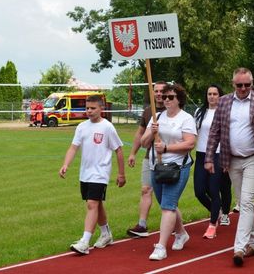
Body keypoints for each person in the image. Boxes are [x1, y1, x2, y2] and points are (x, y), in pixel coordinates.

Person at [205, 67, 254, 267]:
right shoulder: (224, 102)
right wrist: (209, 158)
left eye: (247, 84)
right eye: (240, 85)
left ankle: (239, 247)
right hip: (232, 160)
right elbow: (215, 132)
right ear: (233, 84)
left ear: (252, 84)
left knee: (246, 202)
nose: (244, 88)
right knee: (243, 201)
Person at [59, 95, 126, 255]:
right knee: (96, 203)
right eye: (87, 108)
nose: (89, 111)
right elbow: (73, 147)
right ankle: (106, 233)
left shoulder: (107, 127)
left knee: (91, 204)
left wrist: (121, 174)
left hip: (100, 173)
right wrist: (66, 164)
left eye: (93, 108)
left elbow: (118, 150)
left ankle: (84, 242)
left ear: (101, 108)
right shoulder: (81, 127)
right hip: (85, 173)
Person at [141, 83, 197, 261]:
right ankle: (181, 233)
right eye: (164, 97)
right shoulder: (157, 117)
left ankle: (161, 247)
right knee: (167, 204)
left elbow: (190, 143)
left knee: (168, 206)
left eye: (170, 97)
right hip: (157, 167)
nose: (166, 100)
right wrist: (152, 132)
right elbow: (144, 143)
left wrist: (166, 148)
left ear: (179, 99)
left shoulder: (186, 119)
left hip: (177, 167)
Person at [126, 81, 167, 238]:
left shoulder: (173, 110)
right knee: (145, 189)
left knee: (166, 193)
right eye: (156, 91)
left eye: (162, 91)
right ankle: (142, 225)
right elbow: (140, 133)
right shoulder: (149, 111)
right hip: (150, 157)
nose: (159, 94)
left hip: (168, 158)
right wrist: (133, 153)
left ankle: (173, 223)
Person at [194, 84, 232, 239]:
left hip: (218, 154)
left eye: (215, 94)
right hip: (201, 154)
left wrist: (227, 157)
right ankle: (217, 211)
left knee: (214, 189)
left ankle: (212, 224)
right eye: (209, 94)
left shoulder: (225, 112)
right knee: (199, 191)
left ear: (220, 96)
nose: (212, 96)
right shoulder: (199, 112)